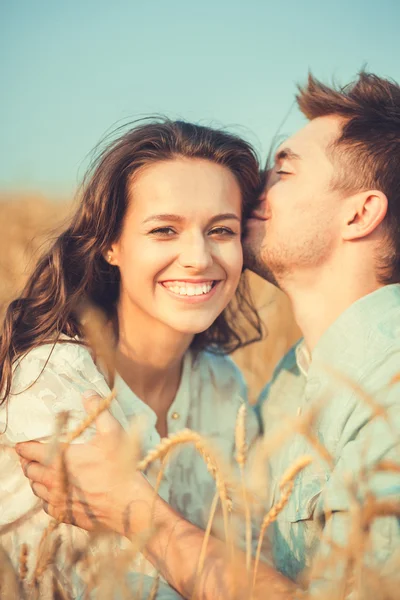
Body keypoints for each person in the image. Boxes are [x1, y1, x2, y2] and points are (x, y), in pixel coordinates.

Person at [17, 71, 400, 599]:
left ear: (360, 213)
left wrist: (136, 510)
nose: (258, 190)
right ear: (111, 244)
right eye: (164, 229)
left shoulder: (384, 392)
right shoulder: (286, 383)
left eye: (284, 170)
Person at [0, 119, 264, 597]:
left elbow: (244, 554)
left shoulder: (224, 383)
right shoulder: (53, 380)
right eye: (165, 230)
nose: (199, 257)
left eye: (221, 230)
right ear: (111, 245)